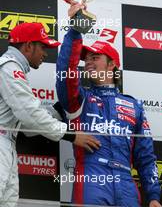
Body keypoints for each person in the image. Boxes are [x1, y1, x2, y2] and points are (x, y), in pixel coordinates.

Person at [56, 3, 162, 207]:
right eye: (85, 59)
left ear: (112, 64)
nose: (87, 62)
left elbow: (146, 157)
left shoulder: (134, 106)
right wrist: (75, 29)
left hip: (126, 183)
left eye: (95, 58)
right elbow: (65, 75)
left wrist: (154, 197)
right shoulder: (80, 99)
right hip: (92, 179)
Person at [0, 22, 100, 207]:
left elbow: (28, 125)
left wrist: (56, 112)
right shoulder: (10, 67)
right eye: (43, 47)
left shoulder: (12, 68)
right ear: (28, 46)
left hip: (7, 145)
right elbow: (30, 114)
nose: (45, 53)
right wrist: (72, 135)